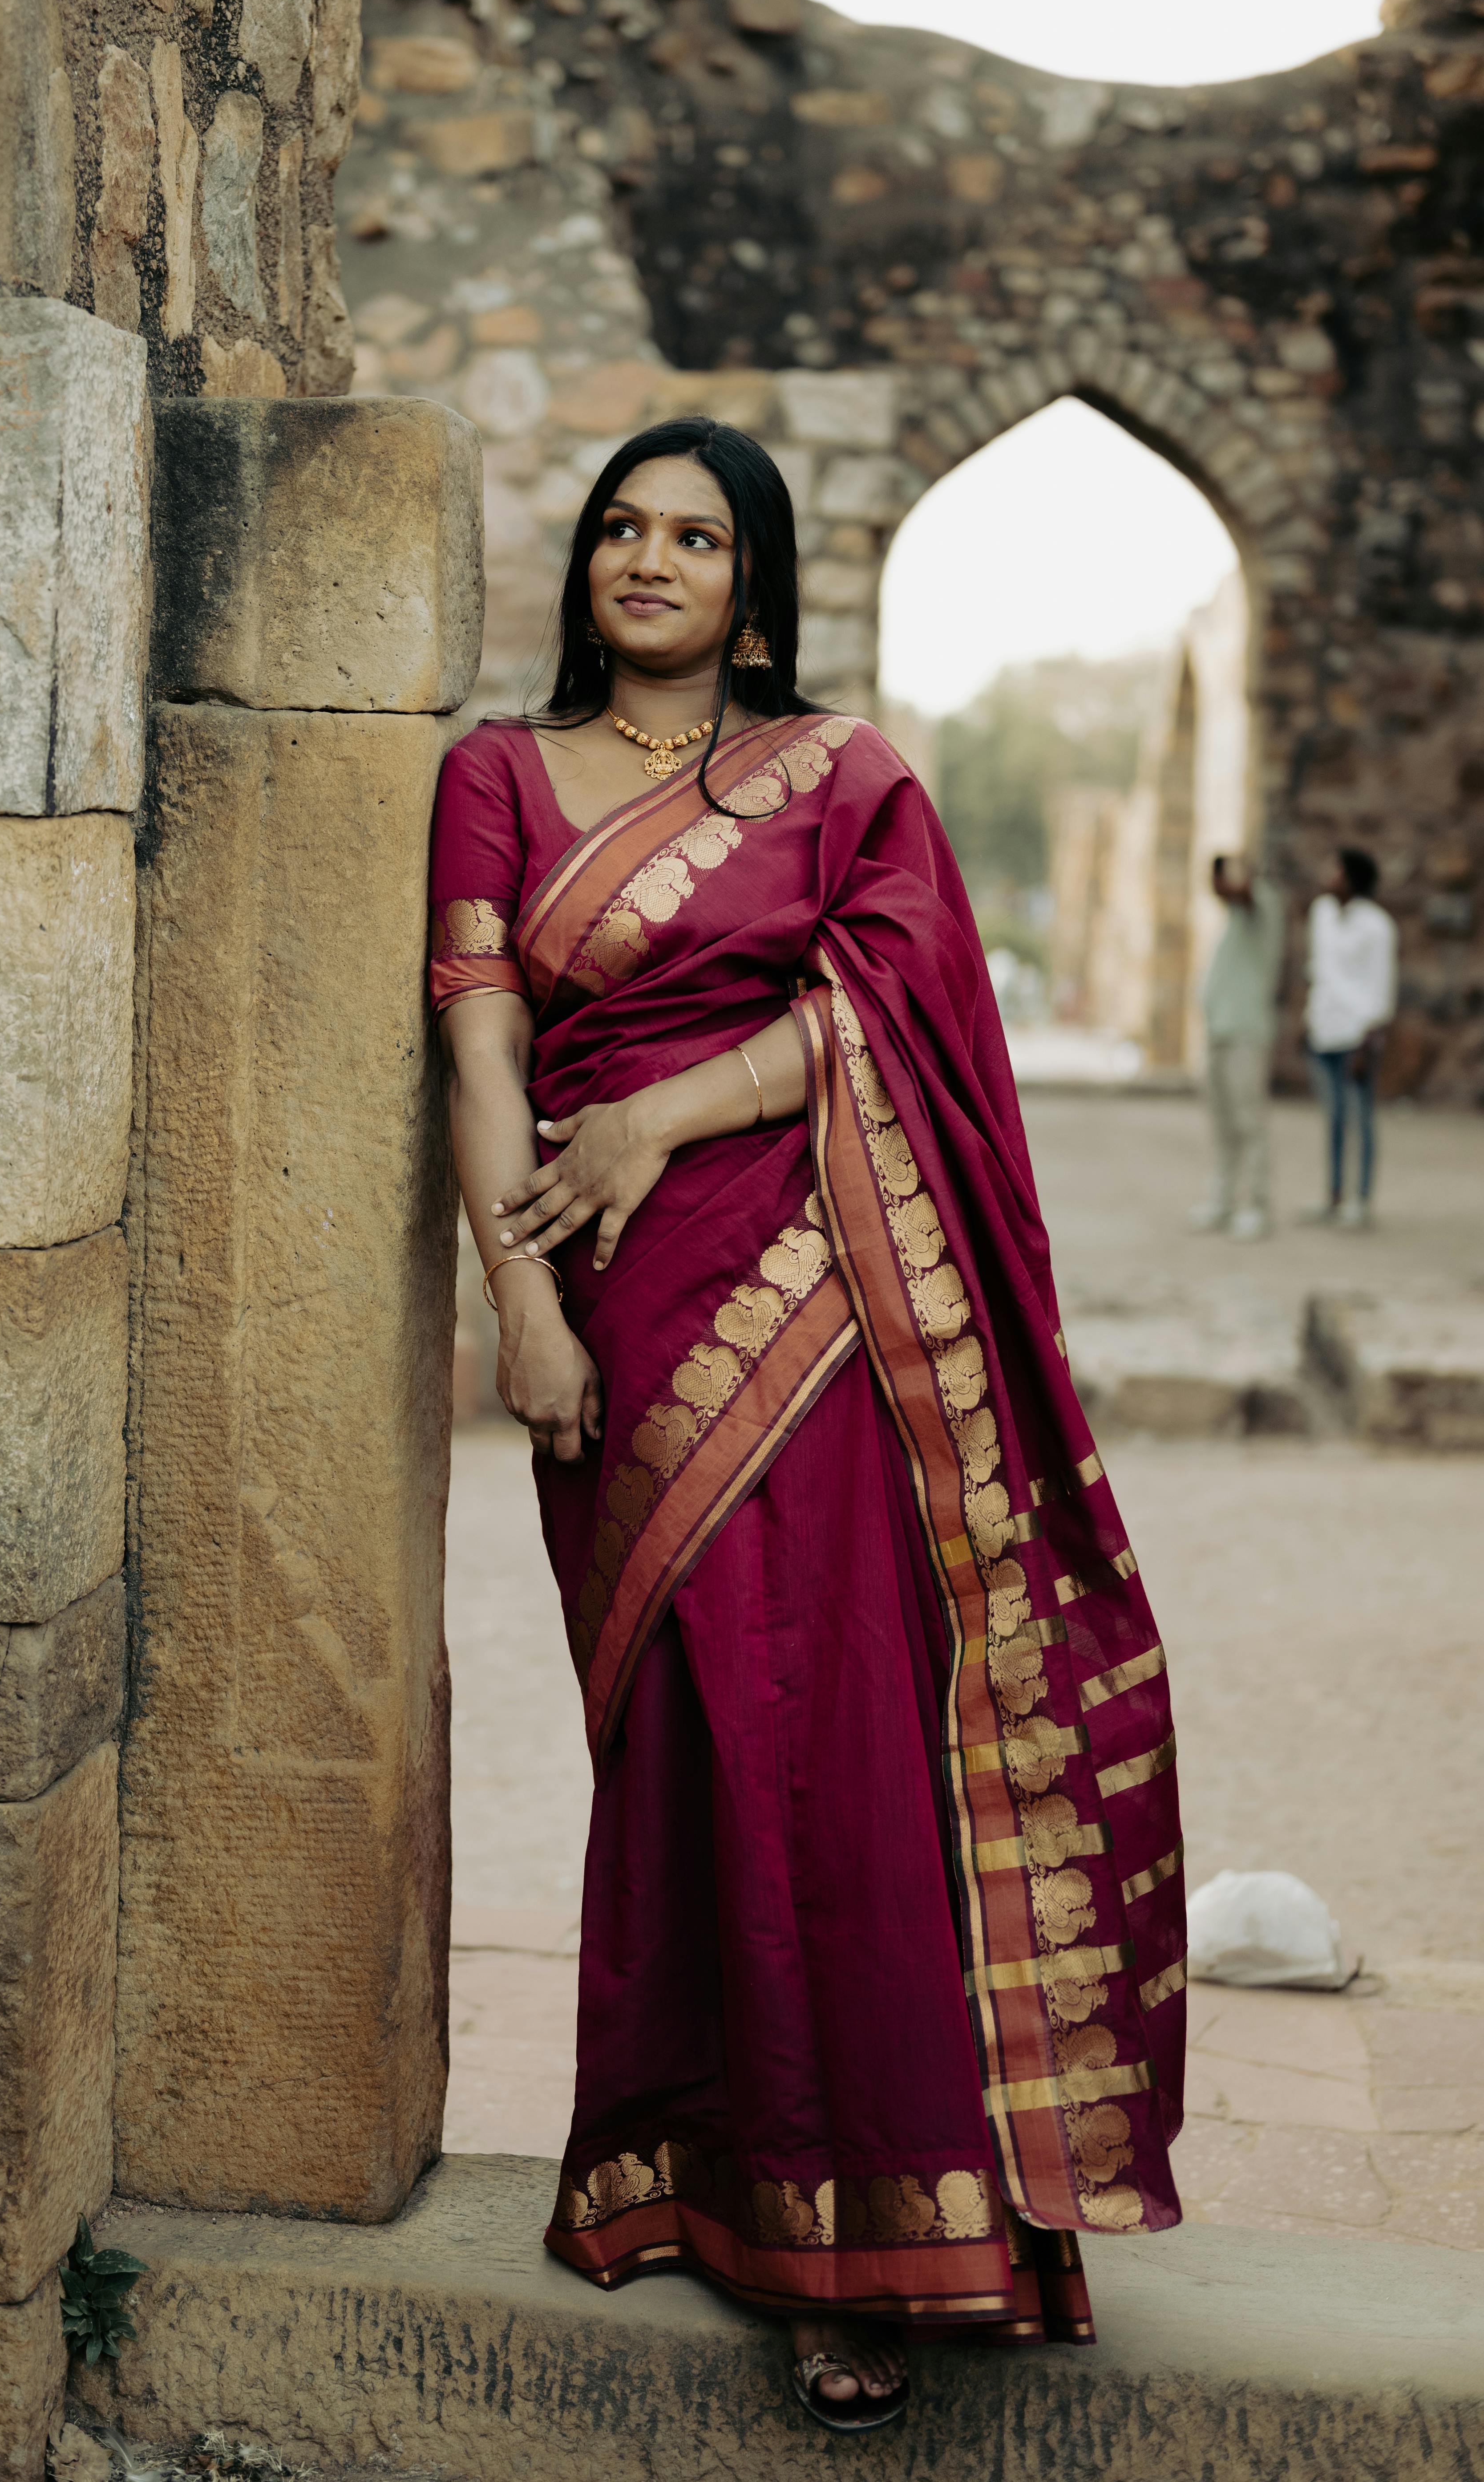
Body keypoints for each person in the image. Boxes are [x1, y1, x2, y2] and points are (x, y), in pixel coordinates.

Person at [429, 421, 1185, 2434]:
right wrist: (515, 1298)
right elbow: (481, 1035)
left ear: (751, 581)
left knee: (829, 1736)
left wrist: (663, 1110)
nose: (647, 559)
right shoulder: (492, 777)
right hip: (605, 1322)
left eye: (693, 535)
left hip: (819, 1310)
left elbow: (894, 1011)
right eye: (618, 528)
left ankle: (871, 2238)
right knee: (676, 1740)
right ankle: (698, 2167)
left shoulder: (840, 776)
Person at [1301, 847, 1396, 1229]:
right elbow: (1320, 971)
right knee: (1334, 1119)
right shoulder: (1321, 914)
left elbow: (1380, 985)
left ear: (1351, 878)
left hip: (1357, 1035)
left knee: (1361, 1118)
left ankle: (1361, 1200)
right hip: (1323, 1029)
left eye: (1335, 869)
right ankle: (1335, 1195)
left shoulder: (1377, 925)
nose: (1328, 874)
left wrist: (1370, 1036)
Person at [1191, 854, 1284, 1241]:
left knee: (1249, 1122)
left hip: (1247, 1032)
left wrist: (1236, 875)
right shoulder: (1232, 920)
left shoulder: (1264, 905)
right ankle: (1223, 1200)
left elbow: (1241, 891)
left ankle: (1256, 1206)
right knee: (1223, 1123)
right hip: (1219, 1031)